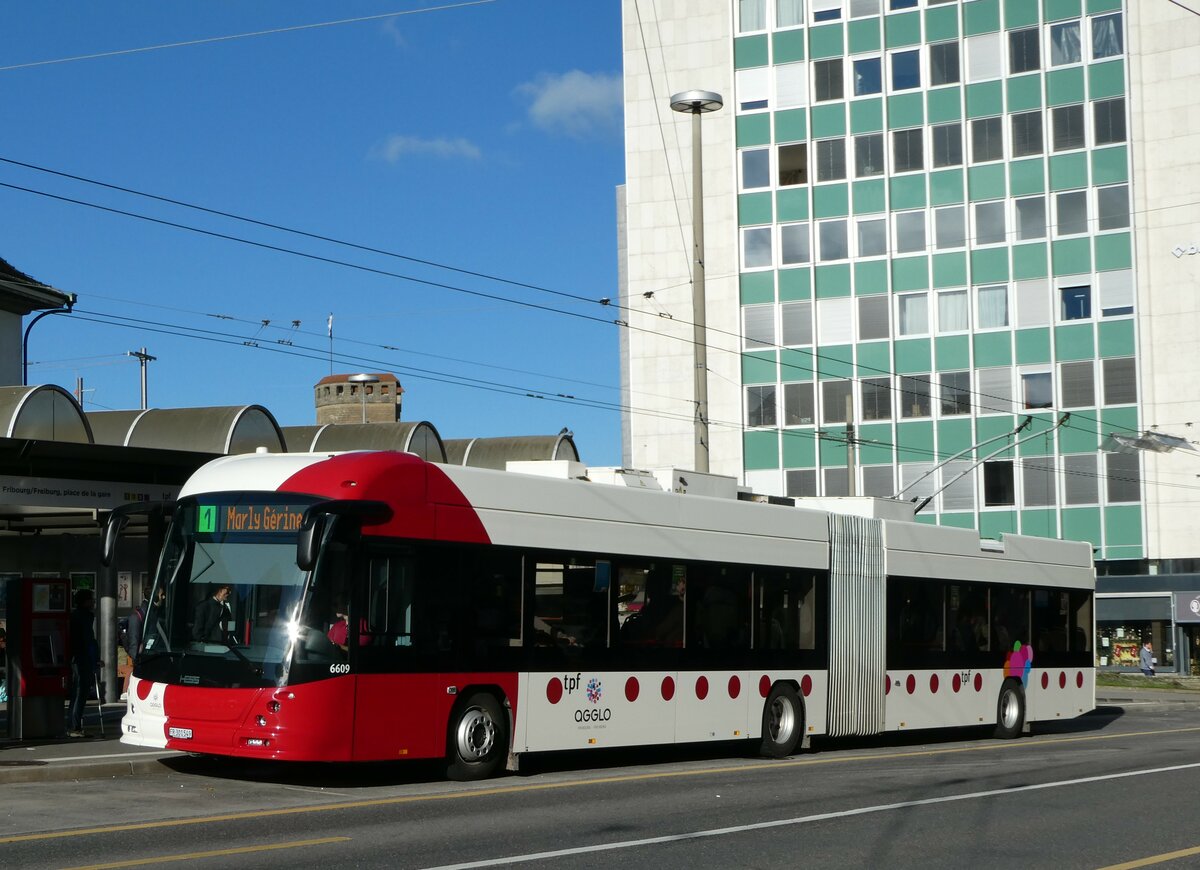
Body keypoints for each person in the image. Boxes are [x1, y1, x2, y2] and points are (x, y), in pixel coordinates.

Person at [68, 589, 101, 738]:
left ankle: (73, 725)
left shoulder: (74, 616)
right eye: (91, 599)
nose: (93, 601)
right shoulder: (85, 617)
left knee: (76, 693)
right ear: (85, 601)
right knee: (81, 692)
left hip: (75, 657)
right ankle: (75, 727)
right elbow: (89, 641)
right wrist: (95, 659)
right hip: (83, 658)